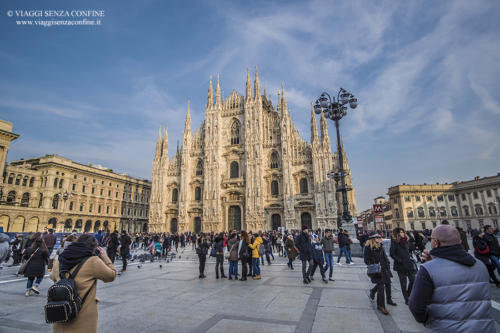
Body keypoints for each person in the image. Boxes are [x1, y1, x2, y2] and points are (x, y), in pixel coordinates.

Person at [409, 225, 495, 332]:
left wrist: (428, 320)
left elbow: (416, 306)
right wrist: (434, 262)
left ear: (435, 242)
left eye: (431, 239)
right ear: (459, 242)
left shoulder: (427, 270)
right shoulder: (480, 265)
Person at [50, 234, 116, 333]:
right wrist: (105, 257)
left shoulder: (60, 259)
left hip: (62, 312)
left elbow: (52, 276)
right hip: (82, 316)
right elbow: (111, 276)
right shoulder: (92, 261)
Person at [364, 233, 395, 315]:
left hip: (384, 268)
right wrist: (373, 264)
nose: (380, 239)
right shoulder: (368, 247)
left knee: (388, 283)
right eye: (378, 237)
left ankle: (374, 291)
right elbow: (366, 260)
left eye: (380, 237)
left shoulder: (381, 246)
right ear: (374, 239)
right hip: (376, 270)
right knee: (381, 286)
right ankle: (381, 306)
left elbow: (384, 256)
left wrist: (387, 264)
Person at [389, 228, 416, 305]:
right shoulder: (394, 242)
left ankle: (409, 294)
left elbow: (410, 249)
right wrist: (399, 260)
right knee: (403, 283)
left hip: (409, 263)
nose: (403, 233)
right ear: (397, 234)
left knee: (413, 280)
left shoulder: (406, 241)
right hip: (400, 265)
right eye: (401, 232)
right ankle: (407, 299)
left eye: (403, 232)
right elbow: (392, 253)